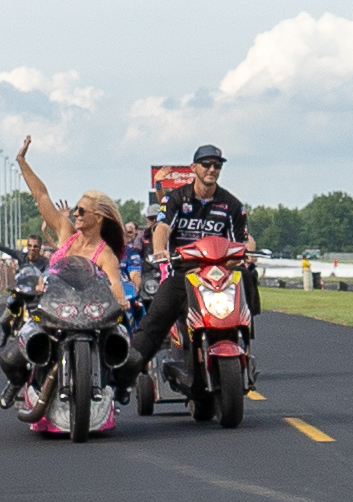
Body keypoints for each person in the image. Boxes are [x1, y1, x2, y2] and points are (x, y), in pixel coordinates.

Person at [3, 137, 130, 406]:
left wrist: (121, 299)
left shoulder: (105, 254)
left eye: (82, 210)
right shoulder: (66, 234)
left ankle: (119, 387)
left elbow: (116, 284)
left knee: (132, 354)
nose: (76, 213)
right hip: (54, 311)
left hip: (90, 316)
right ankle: (17, 383)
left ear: (99, 217)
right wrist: (22, 162)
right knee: (10, 357)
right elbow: (41, 196)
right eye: (76, 208)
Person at [120, 145, 255, 384]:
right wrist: (161, 250)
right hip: (184, 273)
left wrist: (248, 253)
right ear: (194, 168)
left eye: (217, 165)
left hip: (219, 276)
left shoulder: (231, 204)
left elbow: (243, 240)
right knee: (156, 320)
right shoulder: (176, 198)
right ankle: (125, 375)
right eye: (206, 164)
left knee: (246, 276)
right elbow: (162, 227)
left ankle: (246, 333)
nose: (212, 169)